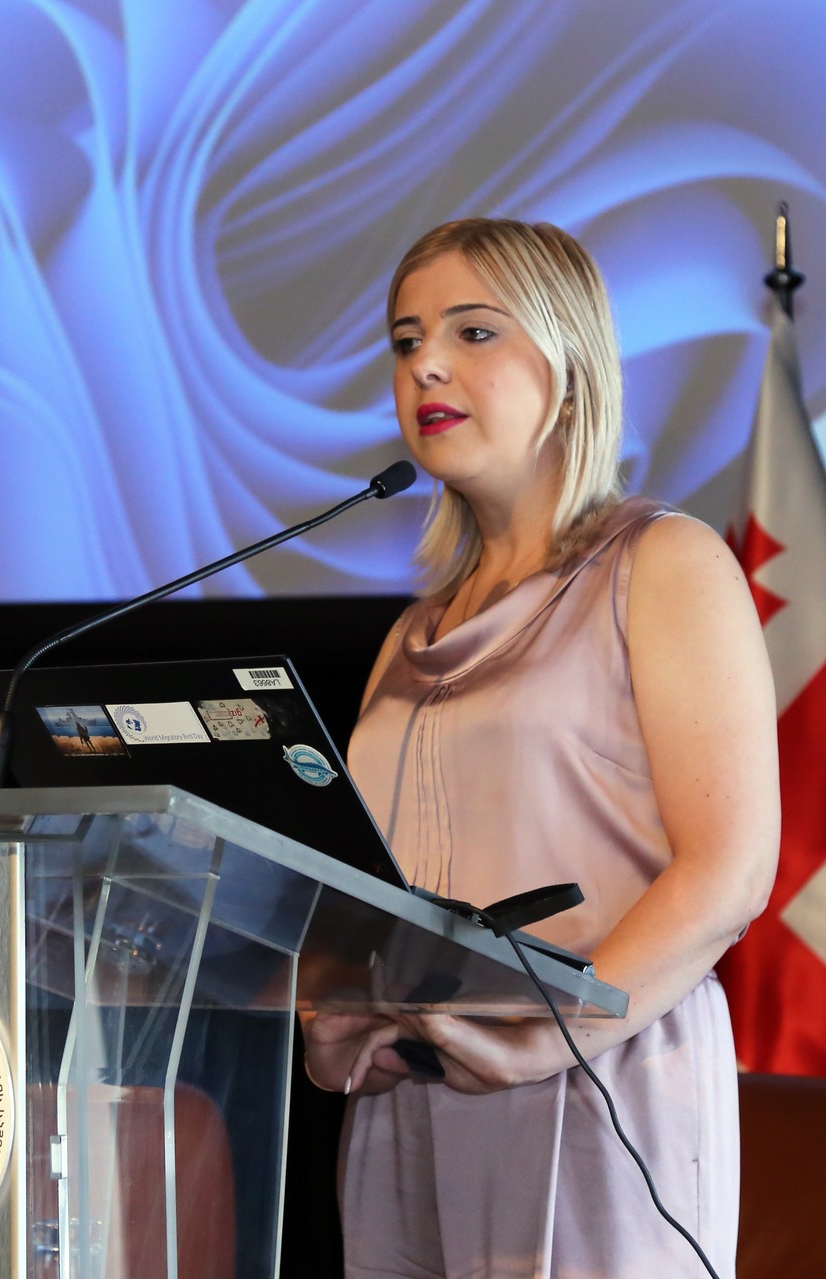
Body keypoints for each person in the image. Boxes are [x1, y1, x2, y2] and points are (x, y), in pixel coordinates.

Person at [301, 219, 780, 1278]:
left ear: (569, 369)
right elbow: (377, 891)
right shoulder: (411, 632)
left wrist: (540, 1036)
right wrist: (332, 1010)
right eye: (405, 340)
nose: (425, 364)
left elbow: (730, 870)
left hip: (599, 1077)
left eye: (473, 331)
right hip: (413, 1096)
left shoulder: (662, 562)